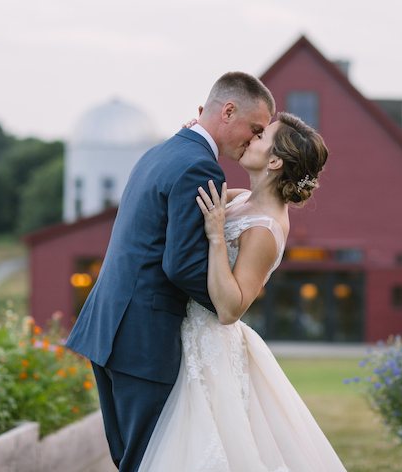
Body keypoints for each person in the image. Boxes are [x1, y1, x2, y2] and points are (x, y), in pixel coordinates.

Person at [64, 72, 275, 472]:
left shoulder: (161, 152)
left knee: (132, 456)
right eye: (255, 128)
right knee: (147, 458)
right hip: (143, 335)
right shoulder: (200, 168)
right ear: (228, 111)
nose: (254, 139)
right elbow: (180, 264)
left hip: (109, 326)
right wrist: (227, 304)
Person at [139, 112, 346, 471]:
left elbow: (230, 308)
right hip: (186, 333)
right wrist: (193, 141)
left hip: (212, 346)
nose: (251, 138)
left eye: (261, 135)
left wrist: (217, 237)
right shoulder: (242, 199)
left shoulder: (266, 228)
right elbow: (192, 195)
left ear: (275, 159)